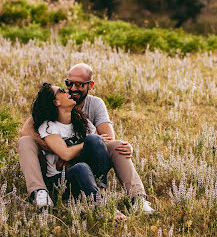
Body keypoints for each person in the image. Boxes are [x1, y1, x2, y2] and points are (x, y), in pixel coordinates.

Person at [17, 63, 153, 215]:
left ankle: (136, 199)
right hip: (57, 172)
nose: (73, 89)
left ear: (90, 85)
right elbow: (25, 131)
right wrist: (59, 150)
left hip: (83, 166)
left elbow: (104, 141)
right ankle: (39, 192)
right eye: (68, 84)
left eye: (79, 84)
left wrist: (126, 146)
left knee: (115, 145)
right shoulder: (49, 116)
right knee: (25, 141)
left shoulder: (90, 110)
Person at [31, 83, 110, 202]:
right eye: (62, 91)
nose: (68, 91)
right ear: (56, 102)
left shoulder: (81, 121)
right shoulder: (48, 126)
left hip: (84, 174)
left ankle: (100, 189)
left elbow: (97, 146)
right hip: (60, 182)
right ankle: (100, 204)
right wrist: (85, 146)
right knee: (81, 167)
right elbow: (66, 154)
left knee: (94, 140)